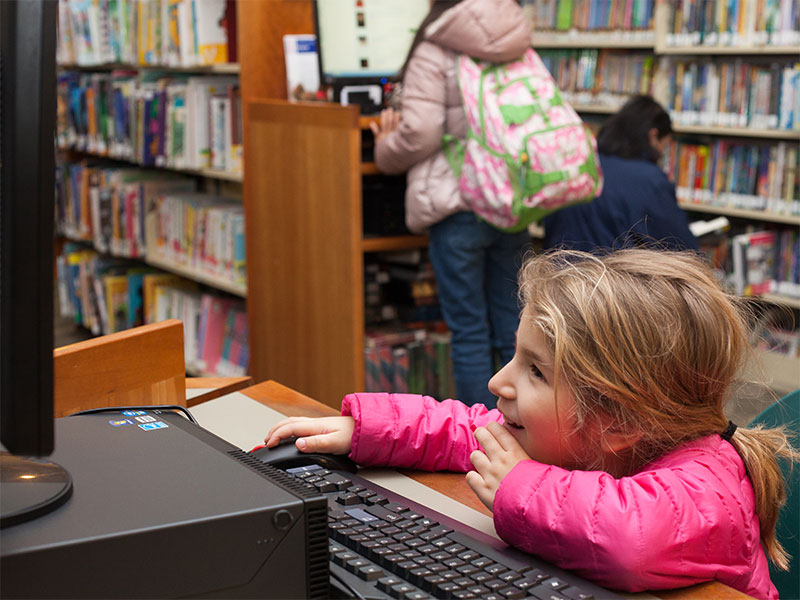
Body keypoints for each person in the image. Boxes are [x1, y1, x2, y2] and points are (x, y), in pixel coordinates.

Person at [265, 248, 798, 600]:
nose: (500, 381)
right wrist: (370, 430)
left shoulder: (710, 483)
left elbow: (633, 537)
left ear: (618, 418)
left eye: (536, 371)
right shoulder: (605, 431)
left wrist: (516, 484)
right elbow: (472, 429)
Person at [368, 0, 532, 408]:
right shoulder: (515, 40)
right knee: (515, 327)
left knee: (469, 331)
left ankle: (482, 435)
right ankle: (522, 431)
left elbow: (421, 132)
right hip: (511, 196)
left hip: (457, 204)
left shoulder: (435, 47)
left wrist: (384, 149)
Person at [543, 95, 699, 253]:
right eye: (664, 147)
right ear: (653, 136)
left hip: (559, 272)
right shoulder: (648, 180)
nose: (661, 154)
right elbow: (682, 249)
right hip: (607, 274)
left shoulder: (578, 165)